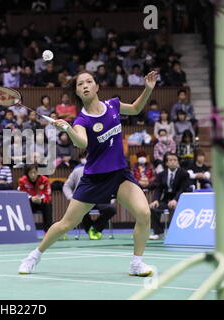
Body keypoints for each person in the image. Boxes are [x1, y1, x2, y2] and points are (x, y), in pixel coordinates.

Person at [18, 69, 159, 277]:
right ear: (77, 92)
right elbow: (81, 143)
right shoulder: (81, 121)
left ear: (96, 86)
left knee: (144, 213)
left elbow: (137, 108)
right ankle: (34, 256)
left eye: (88, 82)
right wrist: (68, 129)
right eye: (80, 84)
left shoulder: (113, 105)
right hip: (94, 178)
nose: (84, 85)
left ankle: (136, 263)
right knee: (66, 224)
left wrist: (147, 89)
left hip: (119, 174)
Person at [63, 155, 116, 240]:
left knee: (111, 209)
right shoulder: (77, 171)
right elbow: (66, 186)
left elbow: (110, 186)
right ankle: (91, 230)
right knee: (80, 210)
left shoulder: (103, 171)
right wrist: (70, 197)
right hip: (83, 199)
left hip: (99, 199)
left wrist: (112, 198)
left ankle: (95, 228)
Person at [149, 153, 191, 239]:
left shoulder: (184, 174)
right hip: (166, 199)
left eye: (175, 160)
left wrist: (175, 200)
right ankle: (159, 233)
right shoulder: (161, 174)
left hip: (179, 199)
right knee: (153, 208)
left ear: (178, 162)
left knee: (174, 208)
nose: (173, 162)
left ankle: (174, 233)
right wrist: (155, 200)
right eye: (170, 160)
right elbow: (158, 189)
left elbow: (182, 189)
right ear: (166, 163)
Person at [18, 164, 52, 232]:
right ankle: (25, 230)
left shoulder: (45, 180)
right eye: (31, 173)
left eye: (35, 172)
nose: (33, 175)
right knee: (22, 206)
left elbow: (48, 195)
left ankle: (47, 231)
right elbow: (21, 194)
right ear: (27, 173)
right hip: (29, 202)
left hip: (41, 202)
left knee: (48, 205)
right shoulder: (22, 181)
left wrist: (41, 199)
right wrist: (31, 198)